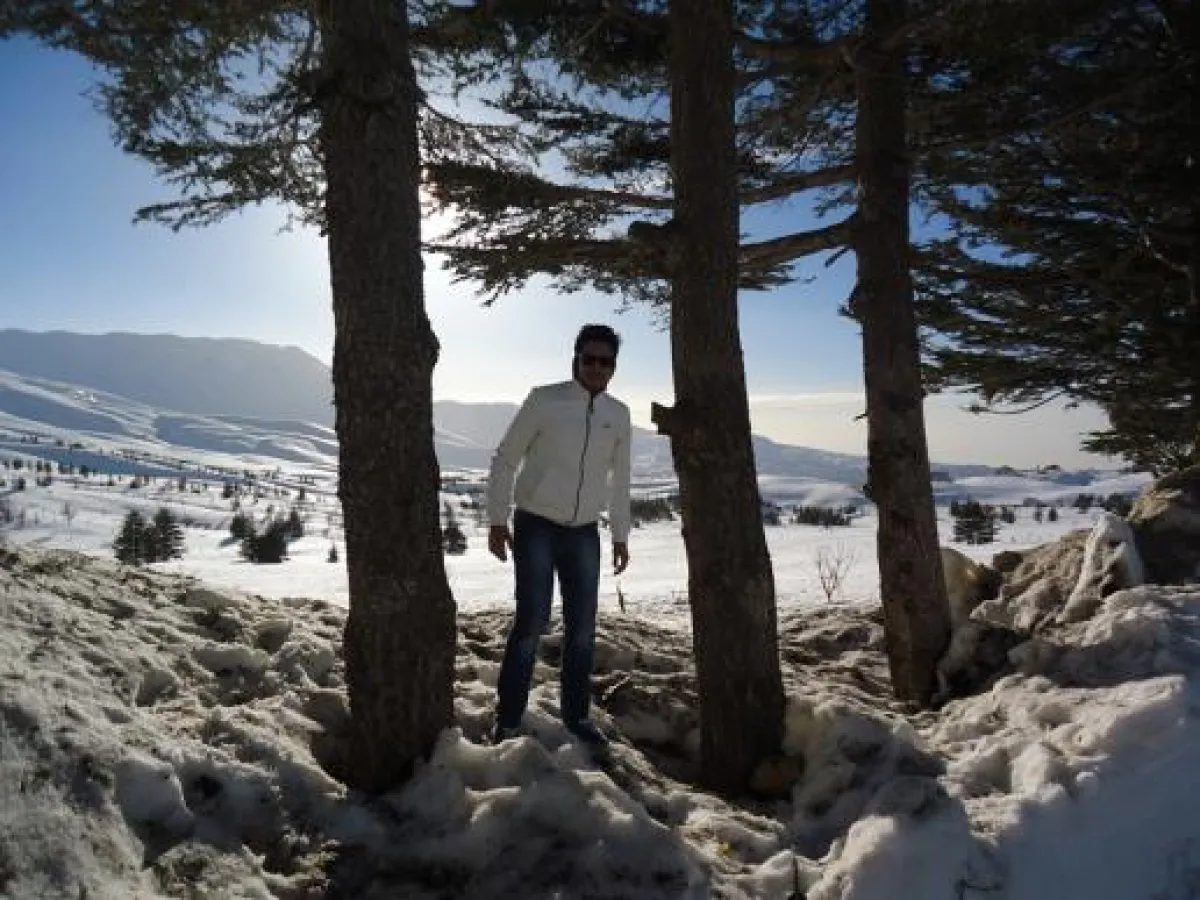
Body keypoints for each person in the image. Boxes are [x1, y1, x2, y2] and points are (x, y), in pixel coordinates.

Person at [486, 324, 632, 747]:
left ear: (614, 367)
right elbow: (505, 458)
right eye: (590, 359)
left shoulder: (618, 414)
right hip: (536, 523)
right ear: (576, 358)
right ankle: (508, 720)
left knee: (582, 630)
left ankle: (577, 717)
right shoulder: (544, 400)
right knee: (531, 623)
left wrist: (620, 535)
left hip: (584, 530)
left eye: (606, 362)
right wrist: (497, 519)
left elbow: (620, 480)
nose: (597, 368)